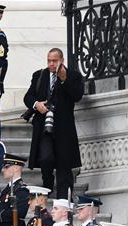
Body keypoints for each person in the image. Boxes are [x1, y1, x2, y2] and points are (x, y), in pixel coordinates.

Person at [22, 48, 84, 198]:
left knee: (64, 165)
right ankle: (47, 183)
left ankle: (63, 199)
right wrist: (37, 104)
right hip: (44, 126)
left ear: (61, 60)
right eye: (49, 60)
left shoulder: (73, 76)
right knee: (45, 158)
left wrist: (64, 80)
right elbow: (28, 97)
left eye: (54, 61)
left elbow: (77, 95)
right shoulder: (39, 75)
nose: (51, 64)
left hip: (64, 127)